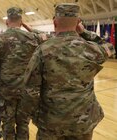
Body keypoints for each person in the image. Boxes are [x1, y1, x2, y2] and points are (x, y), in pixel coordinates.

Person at [23, 3, 115, 140]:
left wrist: (30, 117)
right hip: (83, 122)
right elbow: (110, 48)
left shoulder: (43, 50)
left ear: (55, 23)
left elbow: (30, 90)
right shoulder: (92, 49)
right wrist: (84, 32)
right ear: (79, 23)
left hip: (51, 123)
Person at [0, 7, 41, 140]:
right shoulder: (33, 38)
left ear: (6, 21)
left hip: (6, 90)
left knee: (8, 125)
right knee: (23, 125)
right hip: (26, 90)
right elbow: (49, 38)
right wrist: (30, 28)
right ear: (21, 21)